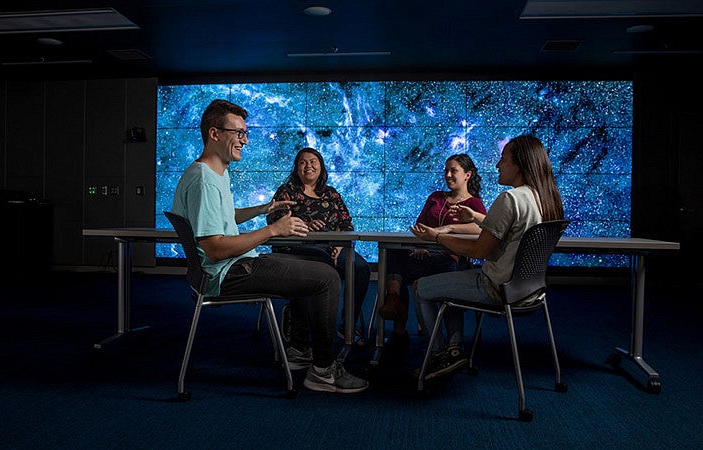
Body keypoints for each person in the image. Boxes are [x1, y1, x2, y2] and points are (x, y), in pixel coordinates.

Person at [170, 99, 368, 394]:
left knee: (315, 271)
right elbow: (216, 248)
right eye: (238, 133)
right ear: (214, 134)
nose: (245, 140)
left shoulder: (213, 174)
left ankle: (300, 351)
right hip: (228, 272)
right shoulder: (205, 181)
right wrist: (274, 228)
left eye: (245, 133)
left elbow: (224, 218)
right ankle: (323, 372)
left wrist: (263, 209)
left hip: (230, 267)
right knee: (325, 277)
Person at [410, 135, 564, 381]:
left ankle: (440, 355)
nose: (497, 165)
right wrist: (476, 217)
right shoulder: (546, 199)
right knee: (450, 282)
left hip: (495, 287)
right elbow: (511, 229)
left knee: (420, 288)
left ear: (520, 165)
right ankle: (454, 347)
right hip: (530, 291)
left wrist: (437, 237)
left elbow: (479, 251)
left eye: (503, 160)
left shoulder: (510, 198)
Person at [378, 154, 487, 357]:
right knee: (392, 252)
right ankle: (394, 304)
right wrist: (420, 245)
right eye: (446, 170)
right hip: (424, 252)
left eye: (453, 170)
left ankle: (452, 343)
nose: (447, 175)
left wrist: (446, 229)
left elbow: (483, 228)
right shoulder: (435, 197)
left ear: (467, 175)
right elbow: (420, 225)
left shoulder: (474, 205)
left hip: (451, 256)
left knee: (441, 269)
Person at [267, 147, 372, 345]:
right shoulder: (287, 191)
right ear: (296, 168)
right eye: (303, 162)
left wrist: (339, 246)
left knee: (360, 269)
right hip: (298, 248)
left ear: (321, 167)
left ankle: (347, 325)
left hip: (334, 248)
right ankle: (302, 326)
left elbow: (346, 224)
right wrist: (304, 225)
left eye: (313, 161)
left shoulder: (331, 194)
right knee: (319, 267)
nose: (309, 166)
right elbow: (274, 218)